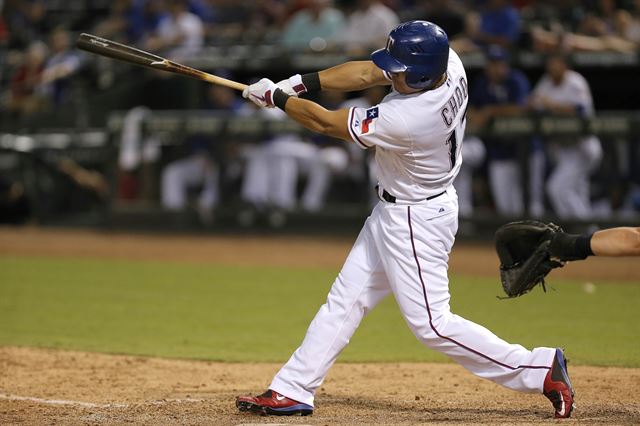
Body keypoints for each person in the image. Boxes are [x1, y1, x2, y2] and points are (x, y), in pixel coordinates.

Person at [236, 21, 575, 419]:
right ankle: (293, 388)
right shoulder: (448, 61)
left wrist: (278, 100)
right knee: (345, 300)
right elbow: (366, 71)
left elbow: (326, 123)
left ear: (420, 75)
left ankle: (539, 368)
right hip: (401, 209)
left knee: (432, 324)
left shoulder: (411, 118)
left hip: (415, 219)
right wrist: (296, 83)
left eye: (399, 71)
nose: (391, 74)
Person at [530, 54, 602, 219]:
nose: (553, 68)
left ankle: (582, 231)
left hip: (583, 146)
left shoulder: (575, 82)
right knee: (577, 192)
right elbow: (534, 103)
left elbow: (580, 110)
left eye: (557, 64)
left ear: (565, 66)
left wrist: (551, 105)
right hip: (564, 148)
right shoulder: (546, 82)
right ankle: (587, 233)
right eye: (550, 64)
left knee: (557, 188)